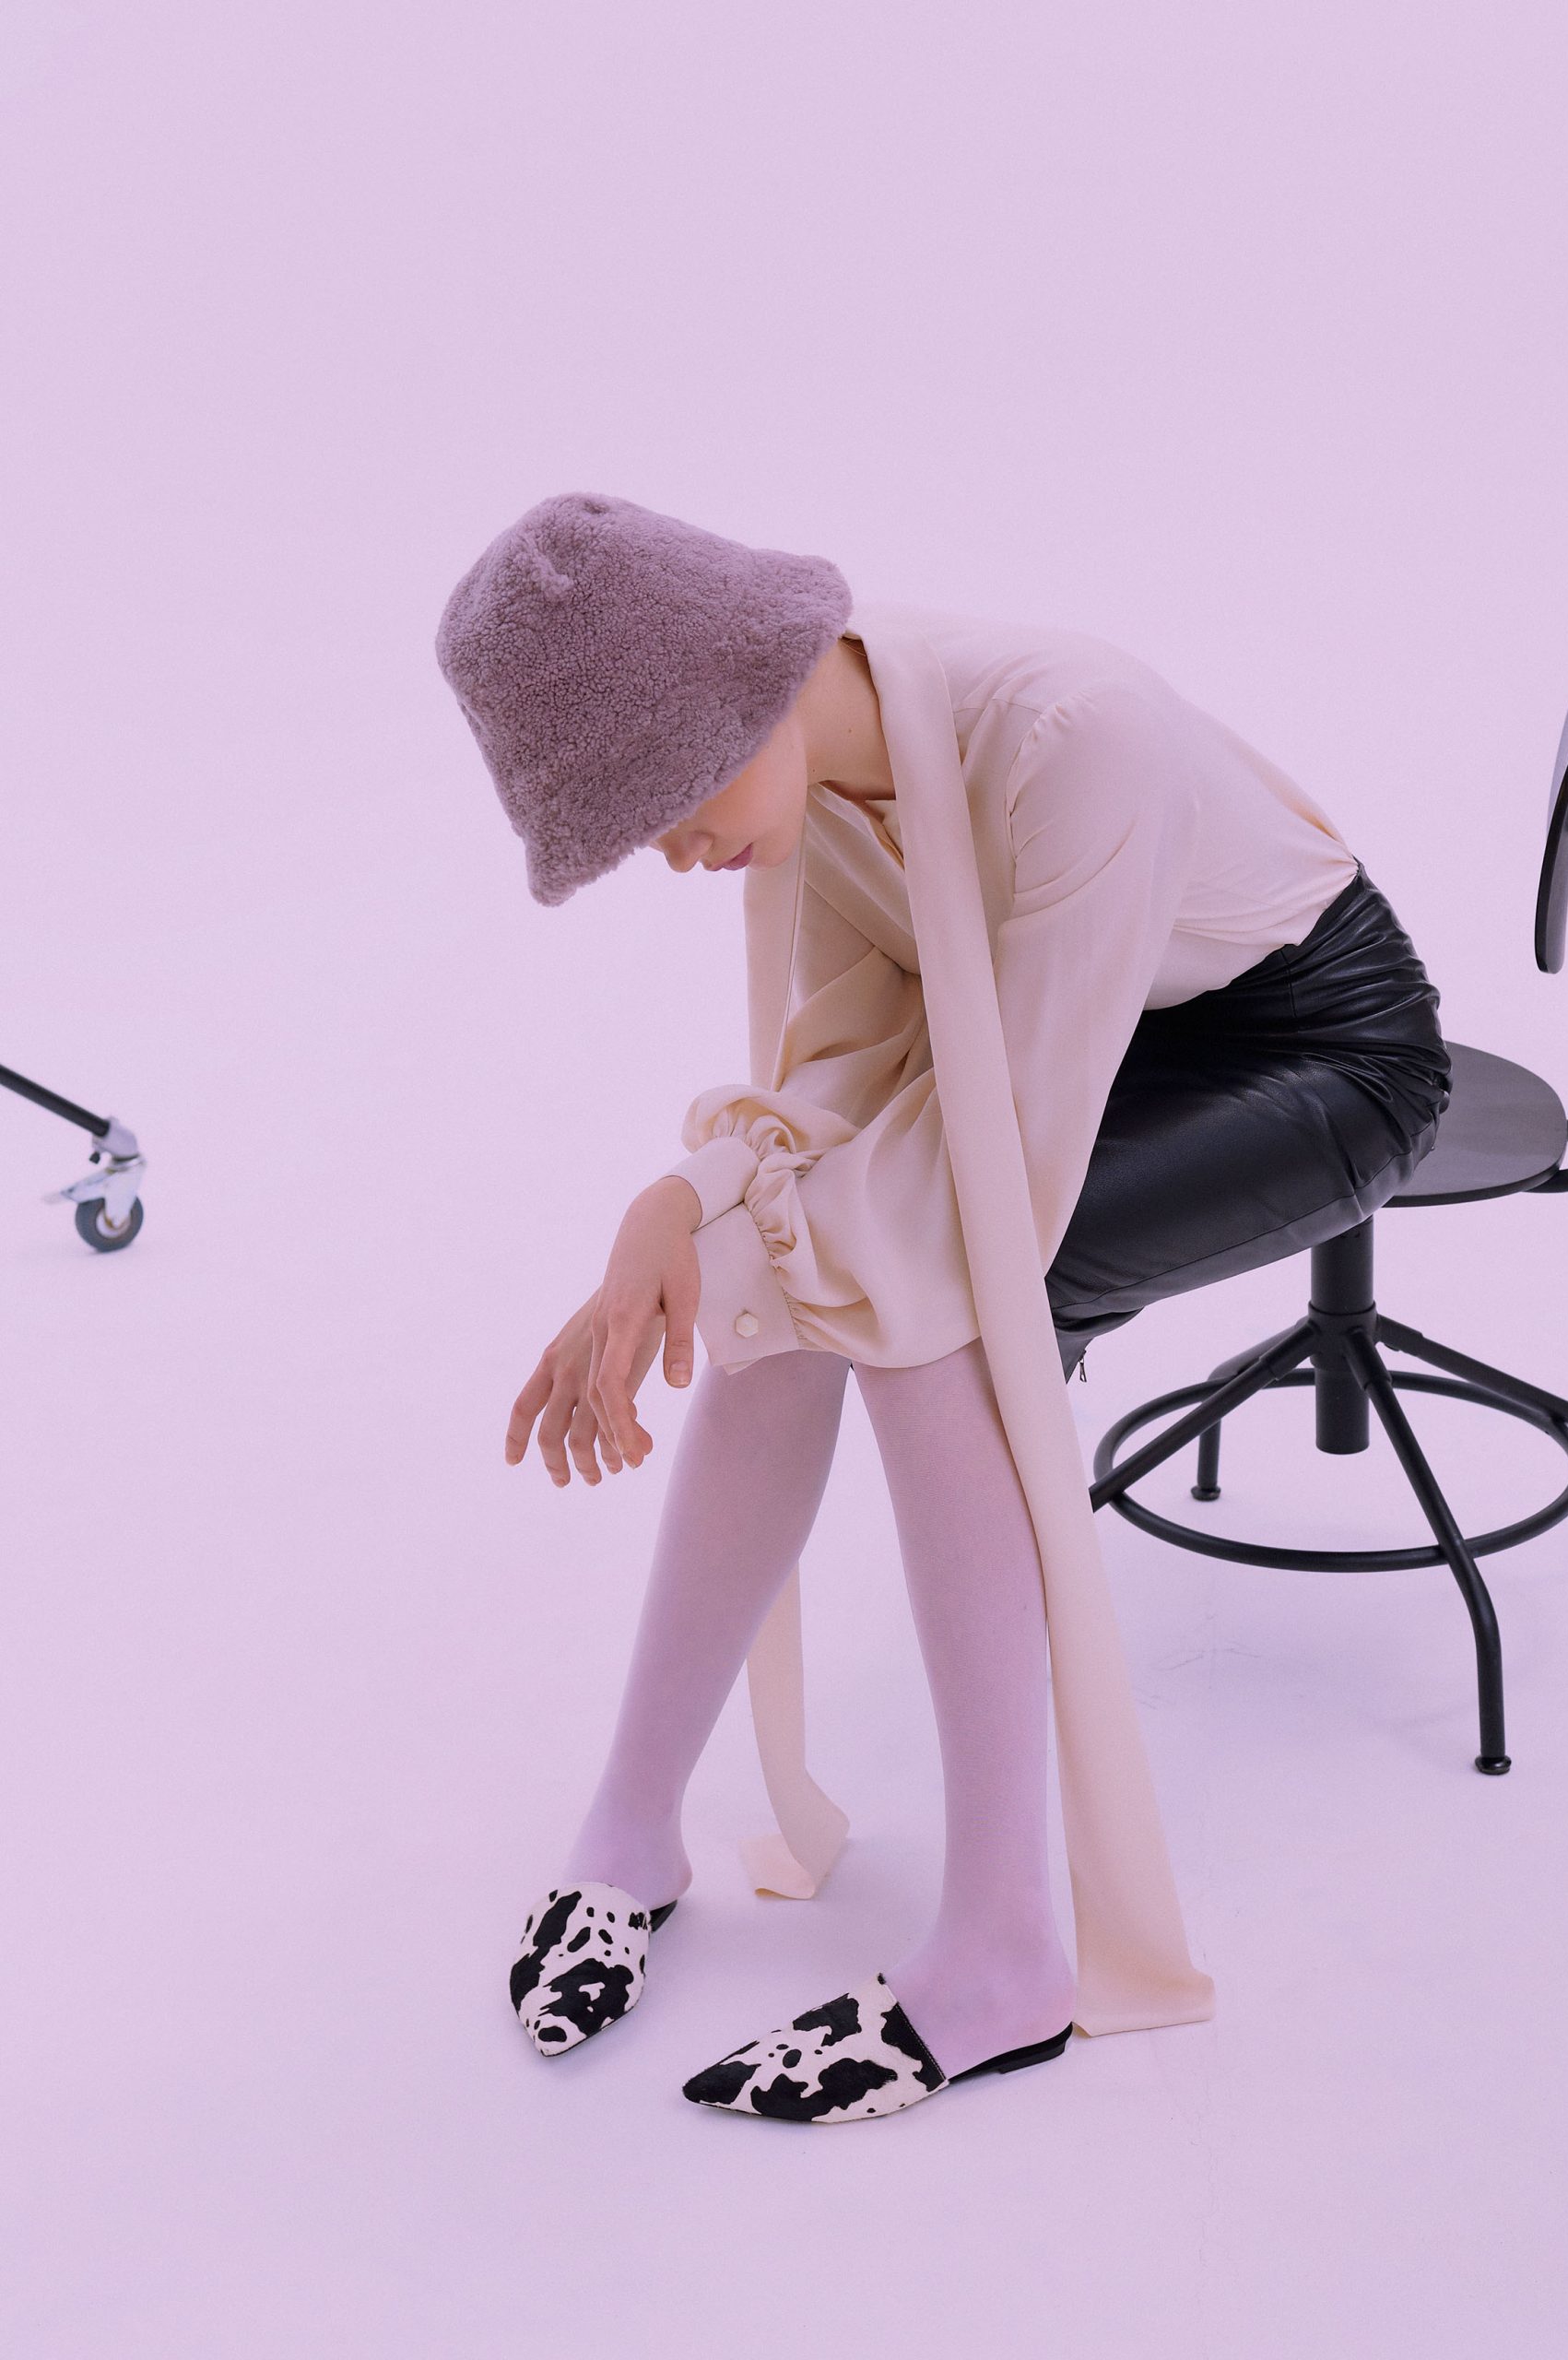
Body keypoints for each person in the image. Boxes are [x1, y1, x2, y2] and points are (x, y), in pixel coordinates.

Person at [434, 492, 1451, 2126]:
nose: (672, 855)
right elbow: (855, 1063)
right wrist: (679, 1208)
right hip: (1101, 1039)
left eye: (664, 801)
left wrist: (731, 1239)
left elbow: (985, 1167)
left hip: (1314, 1054)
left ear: (735, 697)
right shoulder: (833, 768)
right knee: (814, 1279)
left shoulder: (1074, 738)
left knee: (921, 1309)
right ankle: (632, 1830)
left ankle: (1002, 1952)